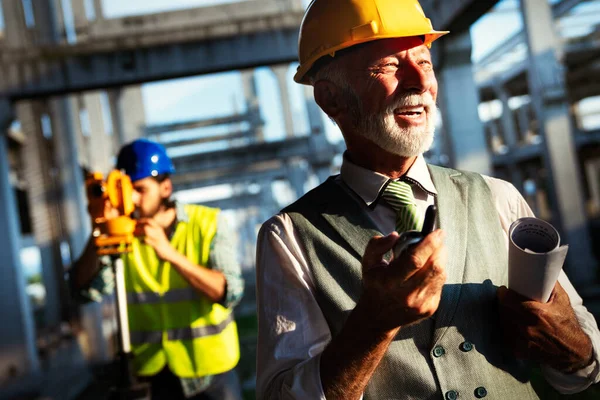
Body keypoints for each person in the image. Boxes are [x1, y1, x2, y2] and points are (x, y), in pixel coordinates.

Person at [255, 0, 600, 399]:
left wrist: (571, 346)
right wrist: (374, 324)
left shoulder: (497, 197)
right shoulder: (291, 237)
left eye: (425, 61)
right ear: (331, 100)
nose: (419, 81)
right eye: (388, 66)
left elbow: (581, 371)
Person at [71, 138, 244, 400]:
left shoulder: (208, 222)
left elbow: (229, 292)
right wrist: (99, 229)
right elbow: (83, 292)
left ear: (165, 187)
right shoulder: (120, 233)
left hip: (211, 376)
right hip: (151, 377)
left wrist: (170, 254)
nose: (134, 199)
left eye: (141, 189)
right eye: (129, 191)